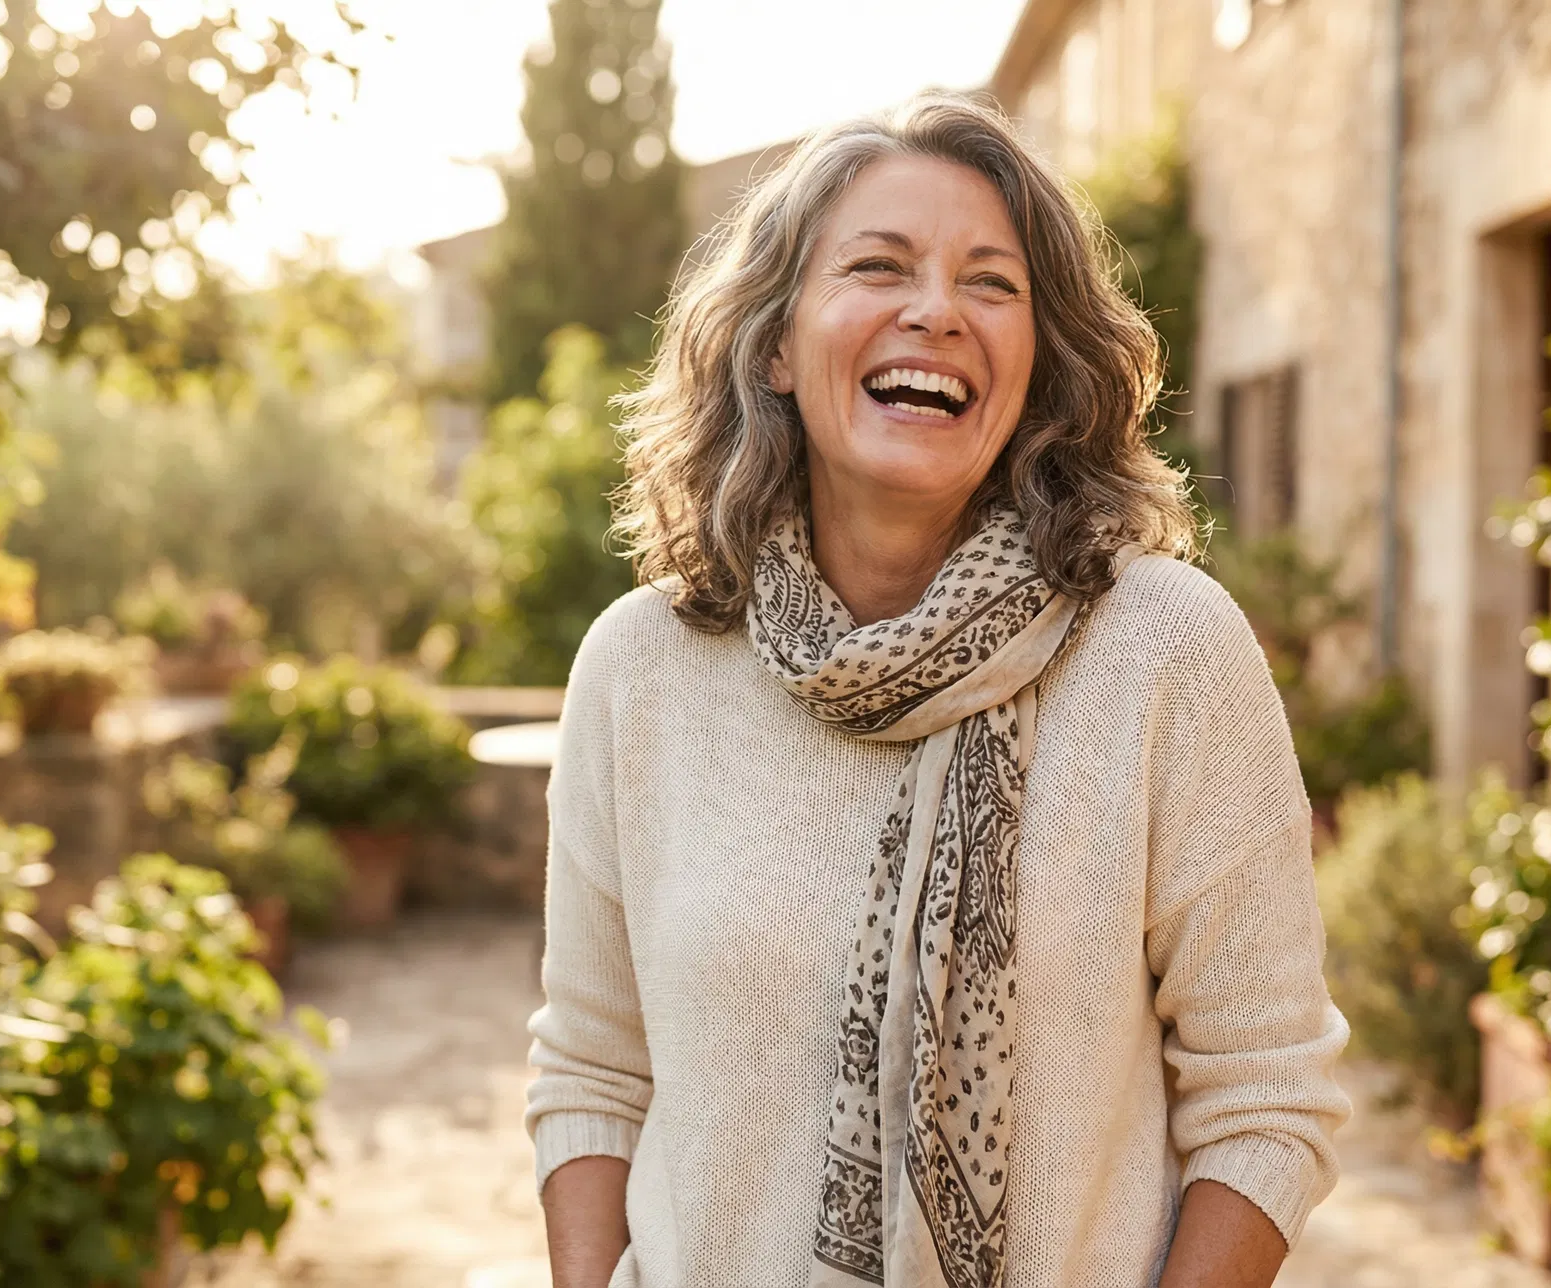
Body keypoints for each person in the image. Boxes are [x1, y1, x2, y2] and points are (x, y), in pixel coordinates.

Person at [525, 93, 1350, 1288]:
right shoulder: (642, 664)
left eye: (992, 283)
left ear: (1040, 362)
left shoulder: (1165, 649)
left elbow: (1267, 1092)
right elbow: (594, 1071)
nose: (935, 311)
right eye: (877, 265)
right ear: (773, 342)